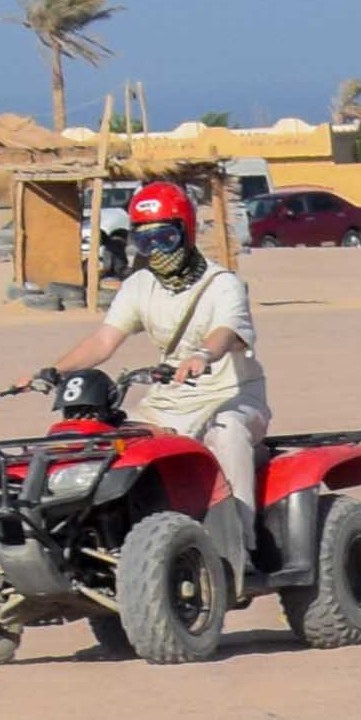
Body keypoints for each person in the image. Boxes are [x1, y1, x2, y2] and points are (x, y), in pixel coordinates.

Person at [53, 182, 264, 578]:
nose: (157, 250)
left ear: (186, 231)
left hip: (231, 396)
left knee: (226, 433)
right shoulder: (139, 286)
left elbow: (226, 333)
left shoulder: (222, 284)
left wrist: (204, 355)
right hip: (169, 402)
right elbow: (103, 340)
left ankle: (242, 548)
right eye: (145, 240)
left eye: (166, 237)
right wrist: (53, 371)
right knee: (112, 441)